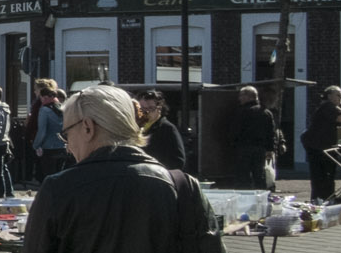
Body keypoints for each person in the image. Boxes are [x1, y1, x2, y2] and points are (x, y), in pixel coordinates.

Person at [24, 85, 214, 253]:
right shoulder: (184, 187)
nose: (67, 146)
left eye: (67, 134)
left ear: (88, 127)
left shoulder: (58, 189)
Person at [229, 86, 277, 190]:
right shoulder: (267, 113)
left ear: (249, 97)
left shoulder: (242, 111)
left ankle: (244, 196)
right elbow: (271, 132)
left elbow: (235, 130)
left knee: (243, 175)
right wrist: (270, 149)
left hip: (244, 148)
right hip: (260, 149)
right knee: (259, 175)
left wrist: (233, 144)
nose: (239, 98)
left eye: (241, 95)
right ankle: (261, 196)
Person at [136, 90, 186, 172]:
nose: (146, 112)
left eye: (150, 108)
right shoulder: (135, 127)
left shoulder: (168, 129)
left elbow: (178, 161)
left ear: (159, 108)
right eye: (142, 109)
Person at [32, 88, 69, 180]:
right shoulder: (63, 108)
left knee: (49, 177)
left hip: (49, 148)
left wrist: (36, 145)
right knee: (60, 176)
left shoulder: (44, 110)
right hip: (62, 147)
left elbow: (42, 131)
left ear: (44, 97)